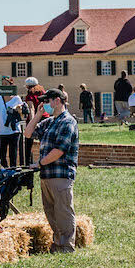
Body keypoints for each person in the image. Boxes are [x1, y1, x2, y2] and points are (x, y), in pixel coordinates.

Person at [26, 88, 79, 252]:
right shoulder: (50, 122)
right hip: (47, 175)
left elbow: (59, 150)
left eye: (47, 101)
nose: (44, 104)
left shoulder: (68, 122)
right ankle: (57, 244)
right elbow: (28, 133)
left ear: (57, 100)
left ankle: (67, 246)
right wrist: (37, 115)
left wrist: (40, 163)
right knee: (51, 212)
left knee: (63, 211)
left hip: (60, 174)